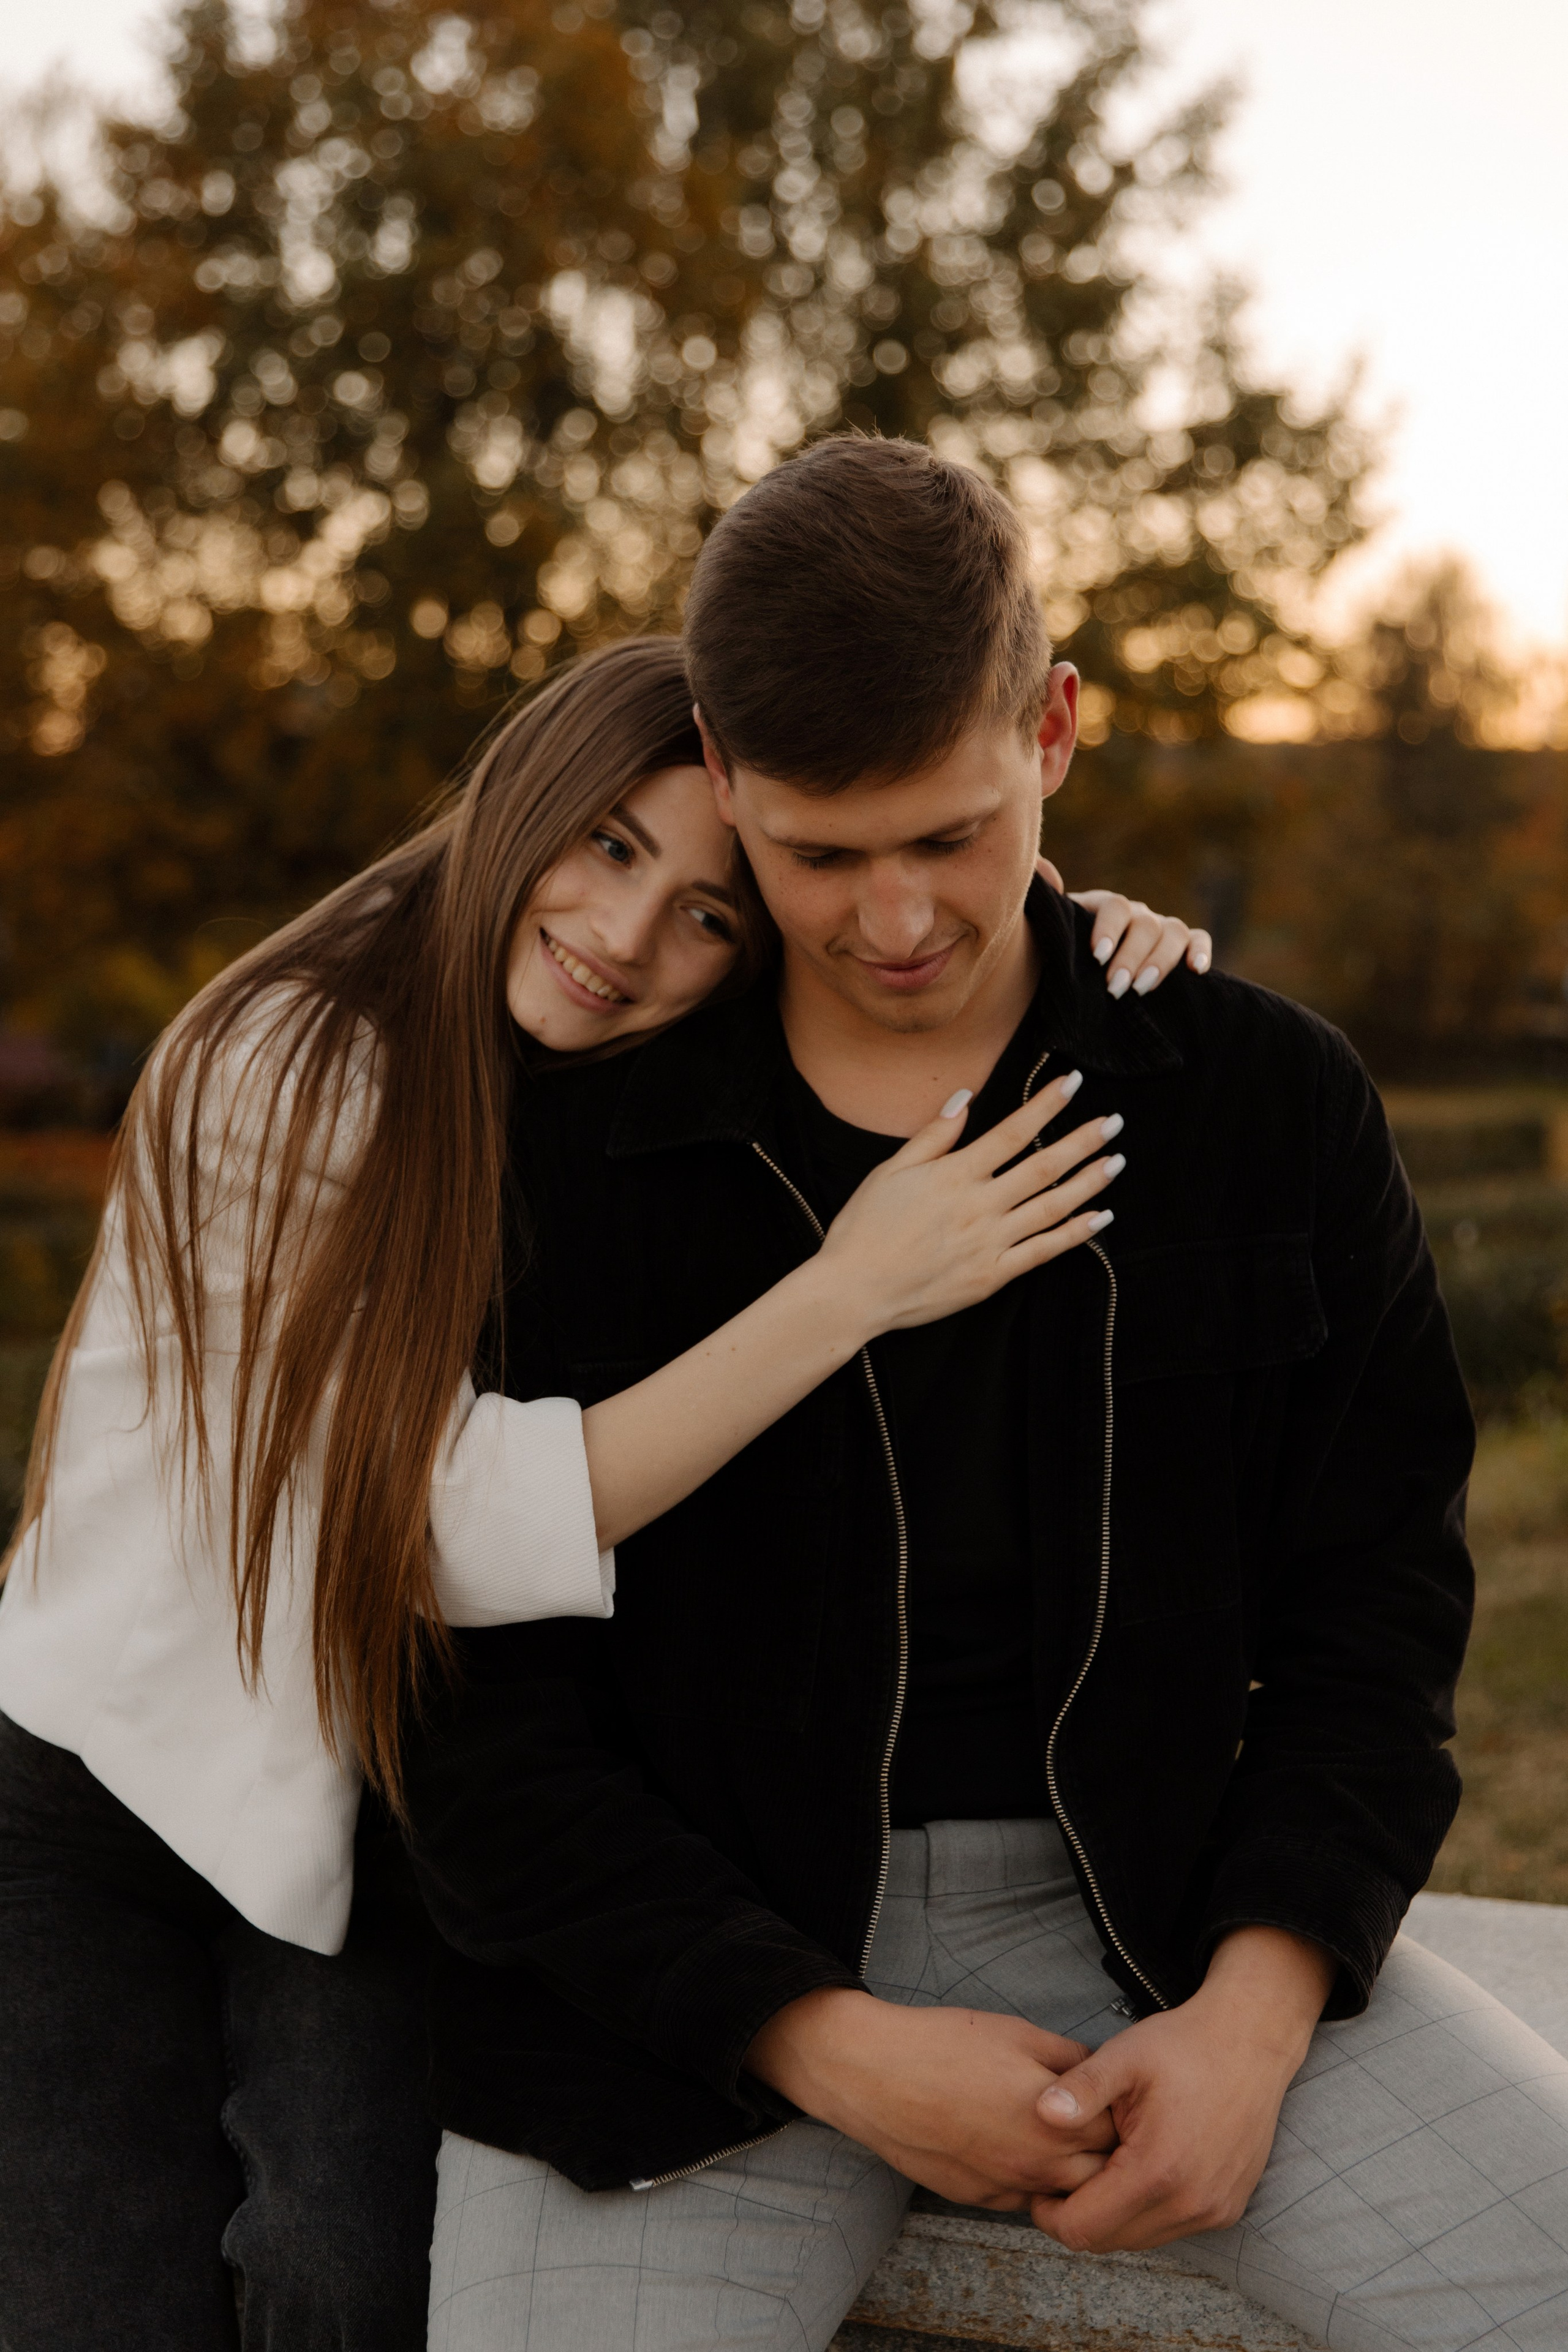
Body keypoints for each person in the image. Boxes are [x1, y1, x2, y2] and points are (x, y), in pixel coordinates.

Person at [405, 440, 1567, 2352]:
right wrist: (820, 2038)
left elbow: (1382, 1614)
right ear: (718, 764)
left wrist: (1259, 2012)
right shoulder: (570, 1144)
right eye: (815, 854)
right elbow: (476, 1721)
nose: (893, 922)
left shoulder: (1263, 1103)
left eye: (950, 833)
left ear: (1057, 726)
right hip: (675, 1988)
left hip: (1179, 1920)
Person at [0, 630, 1201, 2352]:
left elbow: (892, 942)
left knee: (347, 2279)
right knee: (91, 2308)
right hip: (107, 1783)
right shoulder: (286, 1055)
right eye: (609, 847)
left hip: (380, 1802)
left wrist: (1073, 935)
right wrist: (846, 1293)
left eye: (712, 910)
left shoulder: (610, 1086)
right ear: (522, 797)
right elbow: (412, 1528)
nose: (629, 940)